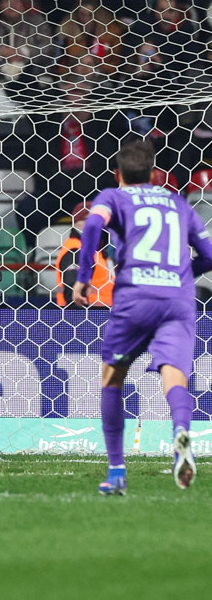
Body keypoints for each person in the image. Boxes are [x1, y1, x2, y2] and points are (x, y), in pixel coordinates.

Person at [74, 139, 211, 494]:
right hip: (177, 300)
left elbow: (92, 226)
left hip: (135, 296)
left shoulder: (113, 197)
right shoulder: (178, 203)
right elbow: (209, 254)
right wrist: (181, 274)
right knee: (174, 374)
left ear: (117, 173)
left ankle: (117, 472)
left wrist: (84, 277)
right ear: (152, 173)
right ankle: (181, 432)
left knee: (112, 379)